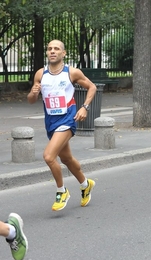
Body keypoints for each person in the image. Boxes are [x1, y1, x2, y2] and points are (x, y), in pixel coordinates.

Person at [27, 40, 97, 210]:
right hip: (51, 121)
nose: (52, 51)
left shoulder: (71, 72)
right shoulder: (40, 74)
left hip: (68, 120)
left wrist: (84, 108)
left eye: (56, 49)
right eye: (49, 48)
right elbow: (31, 100)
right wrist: (33, 93)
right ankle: (85, 184)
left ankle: (61, 191)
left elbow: (92, 87)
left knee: (49, 156)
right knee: (66, 158)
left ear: (63, 53)